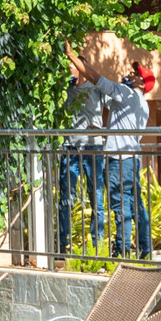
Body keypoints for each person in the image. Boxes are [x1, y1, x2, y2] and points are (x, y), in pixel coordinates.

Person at [93, 60, 152, 258]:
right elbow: (121, 129)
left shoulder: (127, 94)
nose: (129, 73)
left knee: (120, 205)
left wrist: (73, 57)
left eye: (135, 74)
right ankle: (145, 248)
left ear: (142, 84)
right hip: (131, 158)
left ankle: (122, 249)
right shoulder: (141, 103)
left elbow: (98, 80)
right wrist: (103, 131)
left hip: (119, 160)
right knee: (136, 203)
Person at [57, 55, 103, 257]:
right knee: (66, 198)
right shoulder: (65, 90)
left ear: (82, 68)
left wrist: (104, 130)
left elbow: (119, 108)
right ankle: (63, 246)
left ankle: (97, 247)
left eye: (72, 66)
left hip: (93, 148)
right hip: (70, 149)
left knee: (97, 198)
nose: (69, 70)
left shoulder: (96, 89)